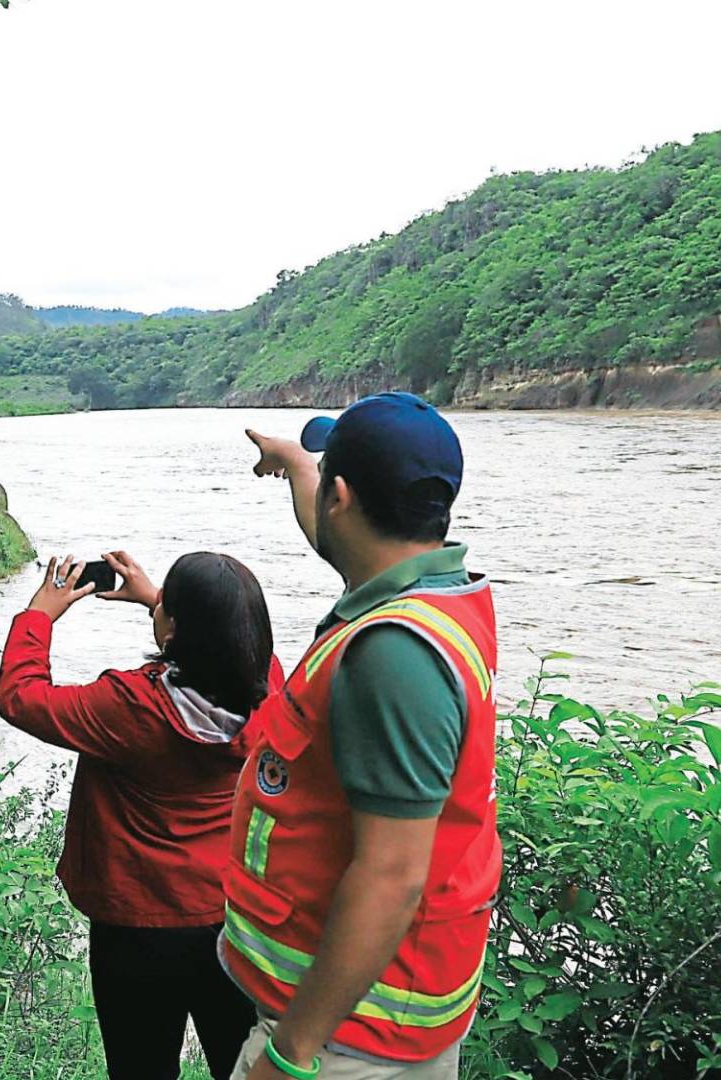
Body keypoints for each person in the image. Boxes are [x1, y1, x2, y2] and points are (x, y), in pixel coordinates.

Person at [223, 392, 501, 1080]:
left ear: (341, 496)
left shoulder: (394, 653)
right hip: (374, 1017)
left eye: (323, 475)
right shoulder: (432, 590)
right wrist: (293, 466)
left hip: (351, 1039)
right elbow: (333, 534)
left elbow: (391, 877)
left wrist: (290, 1056)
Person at [0, 550, 282, 1080]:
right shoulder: (269, 695)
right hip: (233, 919)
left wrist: (40, 613)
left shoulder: (129, 707)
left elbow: (21, 697)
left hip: (137, 925)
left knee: (140, 1067)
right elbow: (235, 647)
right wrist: (158, 601)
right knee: (238, 1063)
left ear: (174, 631)